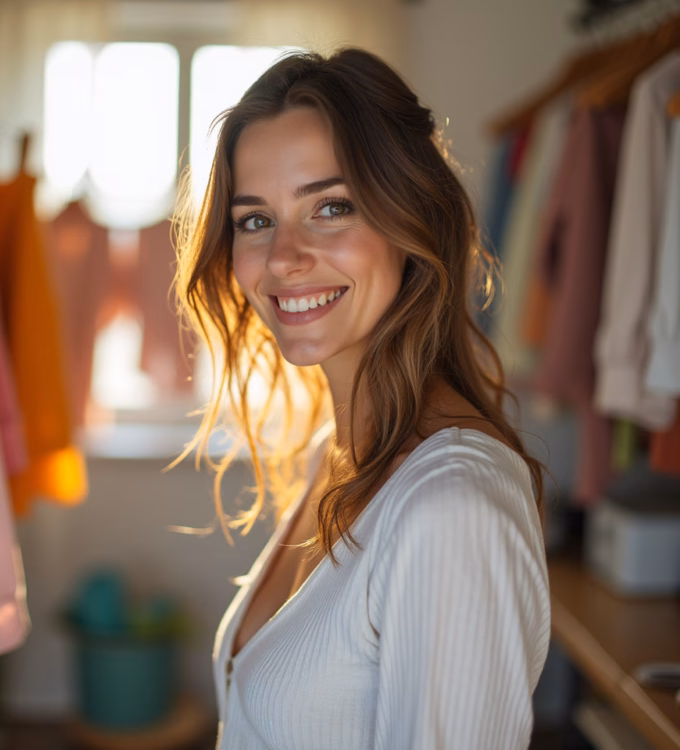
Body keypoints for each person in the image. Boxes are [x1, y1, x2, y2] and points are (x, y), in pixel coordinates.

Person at [173, 48, 551, 749]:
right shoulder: (337, 450)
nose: (284, 257)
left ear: (412, 218)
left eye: (331, 207)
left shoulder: (452, 508)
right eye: (255, 219)